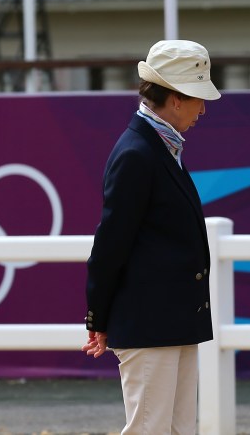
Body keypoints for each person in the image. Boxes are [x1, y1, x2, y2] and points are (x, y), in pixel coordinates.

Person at [82, 39, 221, 434]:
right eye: (198, 98)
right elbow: (110, 244)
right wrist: (99, 316)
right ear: (175, 99)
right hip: (149, 322)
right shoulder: (138, 153)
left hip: (173, 321)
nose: (203, 109)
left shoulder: (159, 148)